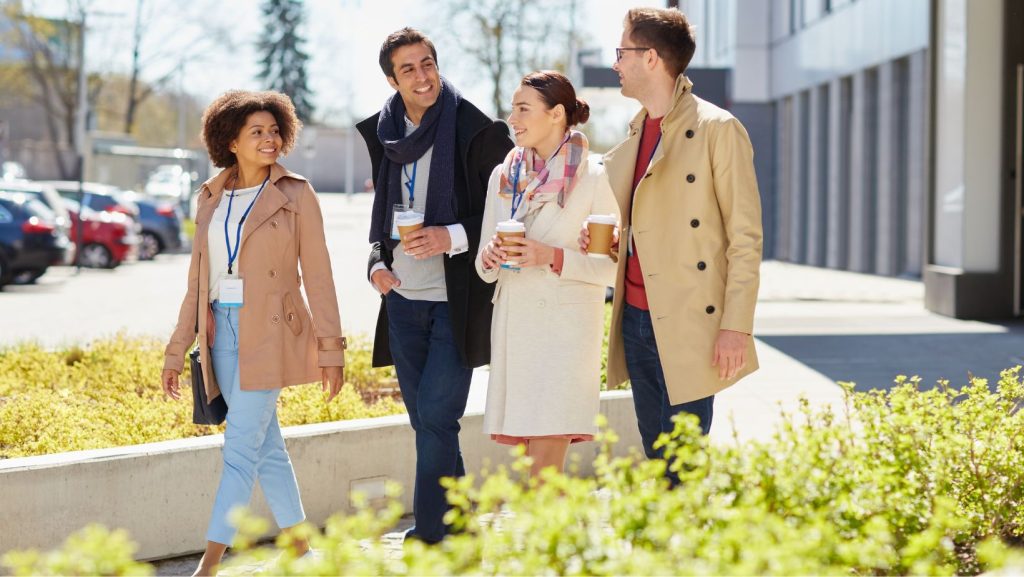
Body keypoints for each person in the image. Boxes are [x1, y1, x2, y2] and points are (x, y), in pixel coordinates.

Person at [160, 90, 346, 576]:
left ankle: (209, 566)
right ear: (231, 141)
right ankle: (304, 552)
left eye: (274, 130)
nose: (269, 139)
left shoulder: (296, 193)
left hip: (270, 333)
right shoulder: (210, 196)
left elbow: (320, 278)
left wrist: (332, 350)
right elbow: (197, 282)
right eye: (256, 132)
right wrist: (176, 350)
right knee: (267, 449)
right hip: (219, 331)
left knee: (240, 451)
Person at [580, 7, 763, 481]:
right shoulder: (637, 129)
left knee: (682, 462)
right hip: (637, 317)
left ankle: (680, 552)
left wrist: (735, 327)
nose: (616, 62)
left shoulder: (718, 129)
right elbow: (656, 224)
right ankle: (662, 549)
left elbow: (745, 238)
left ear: (652, 58)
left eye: (622, 52)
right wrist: (616, 242)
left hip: (689, 320)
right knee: (655, 452)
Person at [355, 28, 513, 544]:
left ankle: (432, 531)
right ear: (391, 79)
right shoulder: (385, 134)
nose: (422, 77)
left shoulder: (475, 129)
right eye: (409, 69)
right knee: (428, 421)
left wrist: (452, 235)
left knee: (437, 416)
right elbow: (382, 223)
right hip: (402, 298)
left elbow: (507, 212)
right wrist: (376, 263)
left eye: (428, 64)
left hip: (456, 301)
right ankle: (460, 518)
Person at [476, 71, 619, 478]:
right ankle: (556, 541)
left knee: (544, 473)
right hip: (516, 333)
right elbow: (483, 270)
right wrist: (491, 255)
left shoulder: (596, 176)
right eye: (512, 108)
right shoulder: (503, 176)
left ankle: (552, 542)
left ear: (557, 114)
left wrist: (552, 256)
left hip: (564, 339)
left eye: (523, 109)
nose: (513, 118)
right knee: (533, 474)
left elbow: (613, 268)